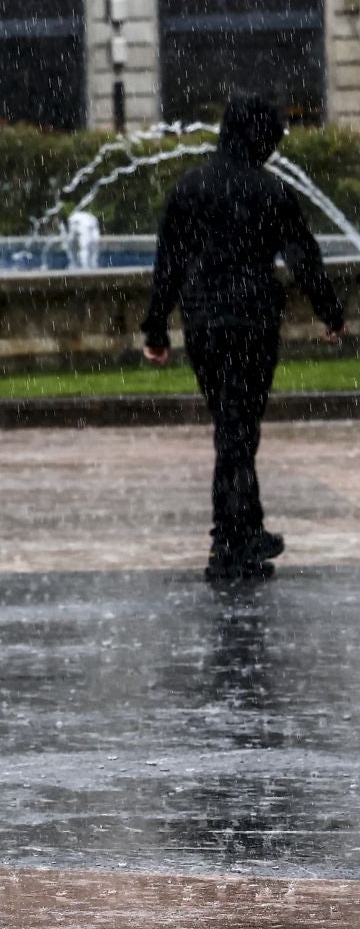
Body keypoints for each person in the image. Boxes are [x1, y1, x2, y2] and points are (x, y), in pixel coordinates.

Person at [141, 92, 346, 582]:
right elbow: (304, 258)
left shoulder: (189, 187)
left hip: (204, 322)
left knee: (231, 426)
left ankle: (243, 531)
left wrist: (156, 328)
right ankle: (229, 540)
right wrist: (331, 313)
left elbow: (167, 264)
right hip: (252, 319)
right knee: (238, 429)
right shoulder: (270, 191)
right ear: (259, 137)